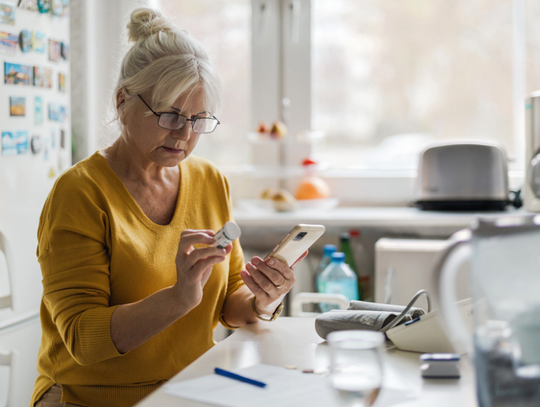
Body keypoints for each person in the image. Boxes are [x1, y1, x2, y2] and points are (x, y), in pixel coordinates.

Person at [31, 8, 306, 407]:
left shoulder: (211, 181)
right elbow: (81, 339)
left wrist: (264, 299)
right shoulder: (80, 193)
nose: (184, 135)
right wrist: (178, 297)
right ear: (123, 101)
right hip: (88, 397)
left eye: (198, 120)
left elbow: (230, 302)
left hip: (187, 390)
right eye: (170, 115)